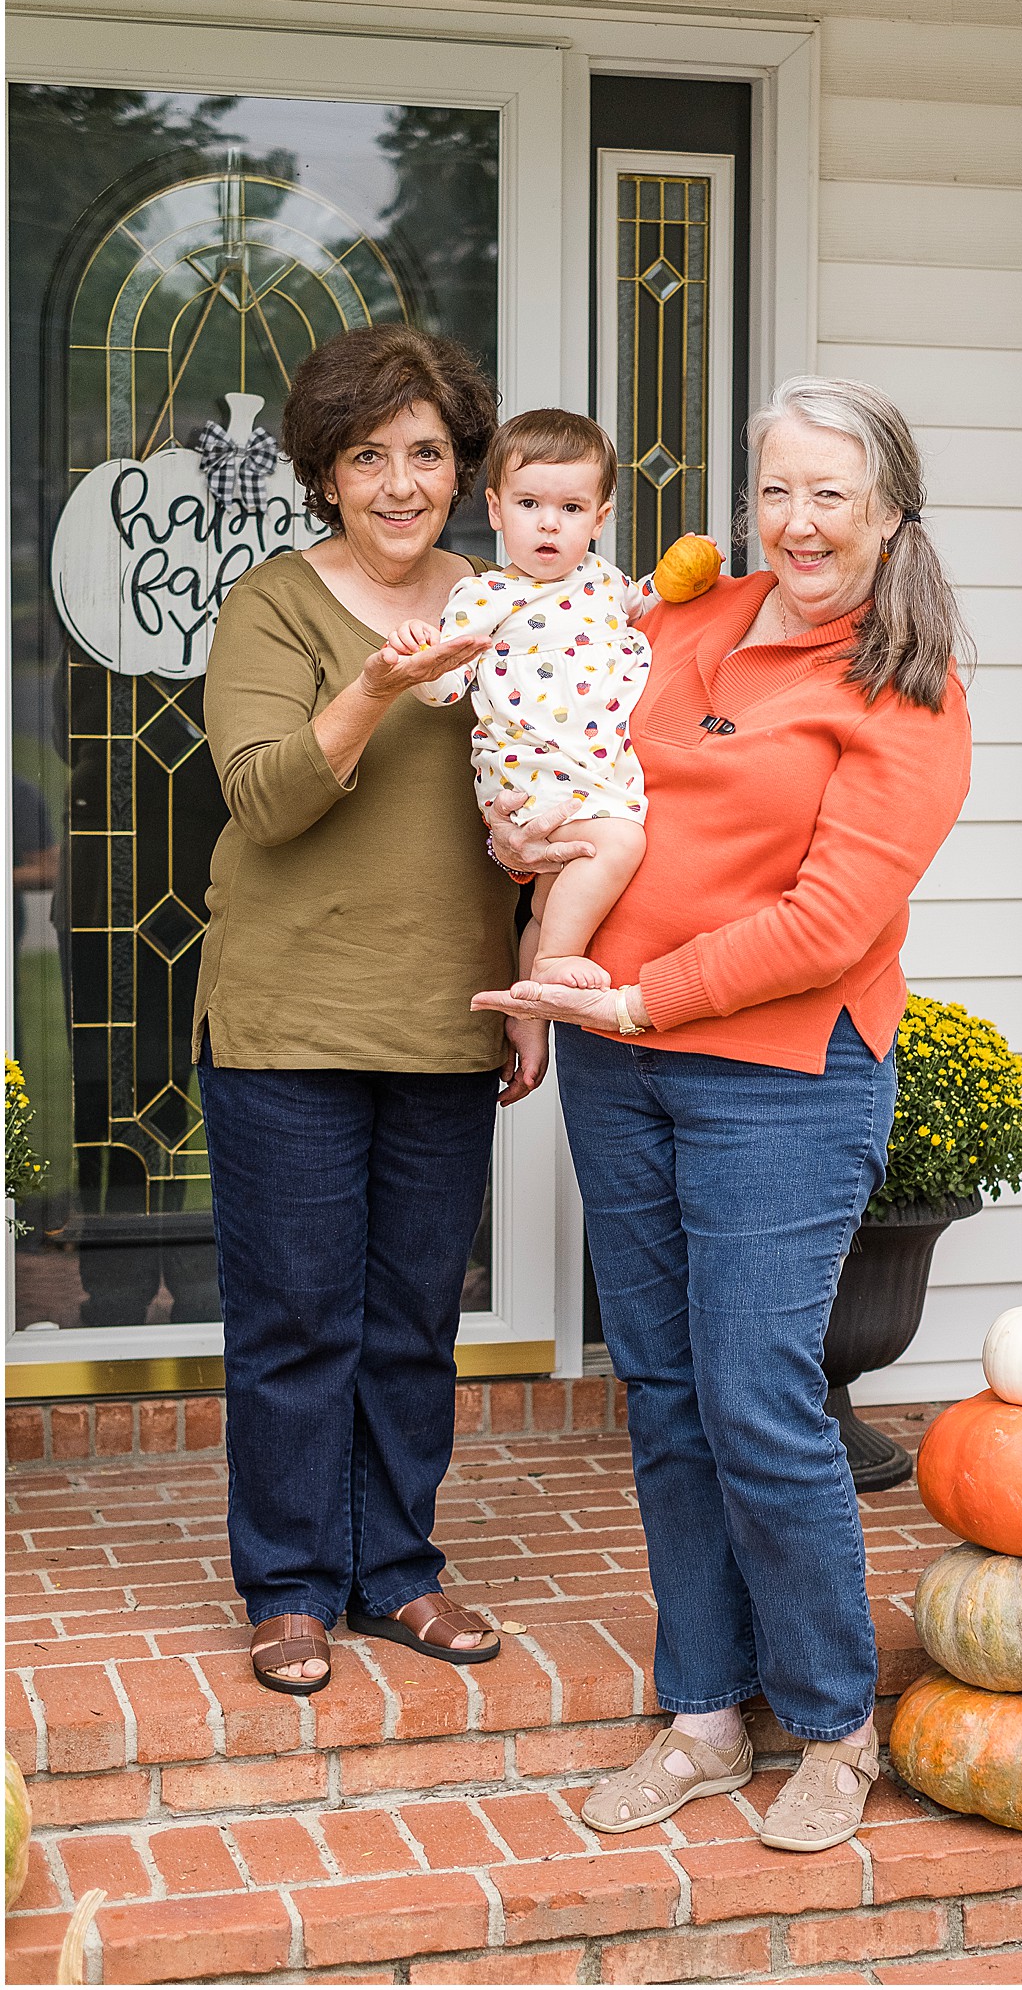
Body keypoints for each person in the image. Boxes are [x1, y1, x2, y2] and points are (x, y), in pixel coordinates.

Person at [474, 376, 973, 1851]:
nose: (798, 520)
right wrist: (522, 841)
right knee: (671, 1395)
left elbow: (831, 921)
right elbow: (575, 766)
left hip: (776, 1075)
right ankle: (703, 1712)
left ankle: (829, 1721)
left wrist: (640, 998)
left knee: (759, 1398)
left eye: (830, 492)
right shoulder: (681, 623)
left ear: (888, 507)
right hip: (619, 1066)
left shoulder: (906, 685)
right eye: (775, 488)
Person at [192, 324, 549, 1695]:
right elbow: (268, 797)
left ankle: (392, 1564)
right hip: (288, 1015)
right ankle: (287, 1583)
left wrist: (531, 987)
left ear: (459, 466)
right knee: (296, 1315)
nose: (401, 482)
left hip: (446, 1010)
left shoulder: (508, 597)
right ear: (326, 474)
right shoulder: (273, 606)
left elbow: (546, 800)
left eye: (426, 452)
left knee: (412, 1314)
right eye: (368, 456)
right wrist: (379, 684)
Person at [398, 409, 656, 988]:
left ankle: (532, 1002)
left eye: (570, 509)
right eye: (528, 504)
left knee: (549, 899)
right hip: (531, 774)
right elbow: (442, 689)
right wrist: (421, 658)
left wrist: (683, 581)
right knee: (617, 842)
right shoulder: (486, 596)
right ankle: (558, 961)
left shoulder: (604, 580)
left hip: (590, 771)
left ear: (600, 517)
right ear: (495, 509)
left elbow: (641, 611)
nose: (548, 525)